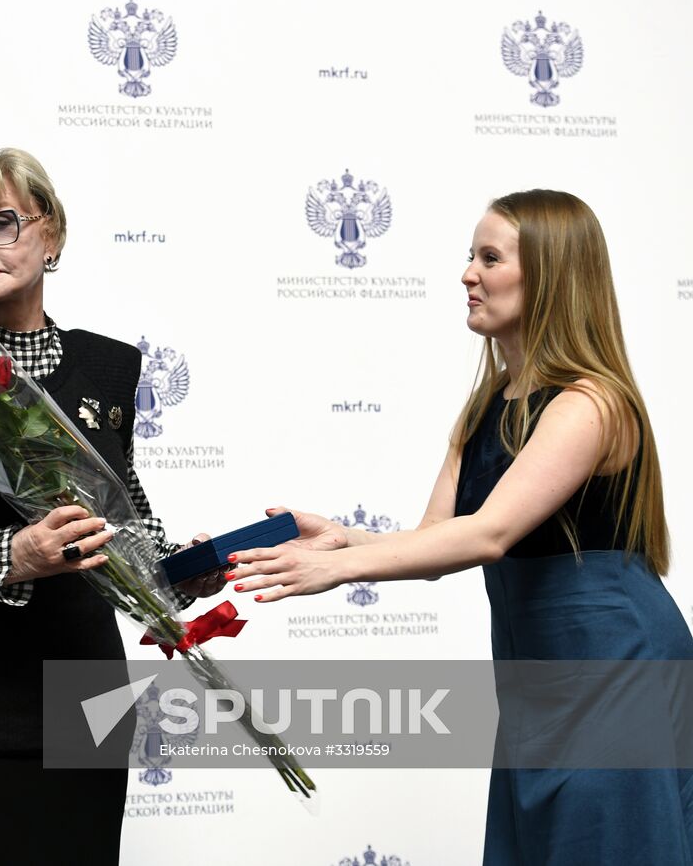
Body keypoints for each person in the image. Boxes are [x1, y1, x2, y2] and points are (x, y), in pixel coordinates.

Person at [226, 189, 693, 863]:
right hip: (539, 686)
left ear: (551, 274)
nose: (468, 274)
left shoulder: (591, 402)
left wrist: (338, 567)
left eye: (490, 257)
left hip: (618, 672)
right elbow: (437, 542)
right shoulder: (484, 409)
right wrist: (339, 536)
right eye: (470, 256)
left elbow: (488, 535)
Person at [0, 148, 222, 865]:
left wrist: (178, 570)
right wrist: (12, 558)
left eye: (0, 222)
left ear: (50, 234)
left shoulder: (112, 366)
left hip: (82, 706)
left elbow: (123, 522)